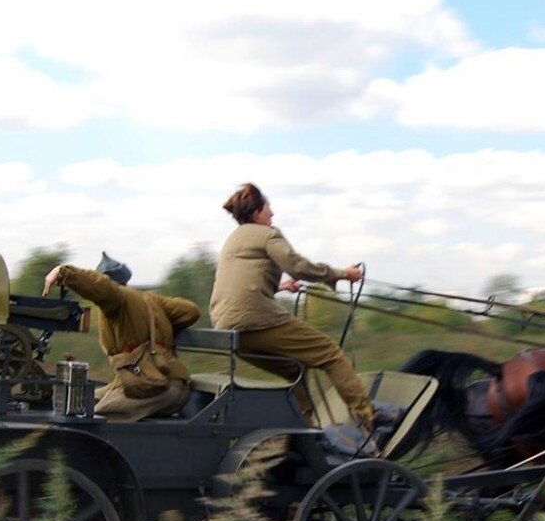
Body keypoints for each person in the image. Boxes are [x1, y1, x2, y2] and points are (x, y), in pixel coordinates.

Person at [210, 183, 379, 437]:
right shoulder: (268, 235)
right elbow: (299, 267)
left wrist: (280, 287)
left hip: (227, 330)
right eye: (268, 208)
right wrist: (343, 274)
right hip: (256, 320)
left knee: (294, 368)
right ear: (256, 212)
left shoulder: (233, 240)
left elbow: (240, 285)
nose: (272, 213)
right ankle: (370, 417)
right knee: (330, 353)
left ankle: (307, 431)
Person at [43, 253, 201, 422]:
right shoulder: (149, 299)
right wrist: (156, 334)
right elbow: (190, 311)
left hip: (154, 387)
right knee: (85, 400)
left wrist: (63, 272)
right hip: (171, 383)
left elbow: (103, 288)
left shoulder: (116, 298)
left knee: (92, 419)